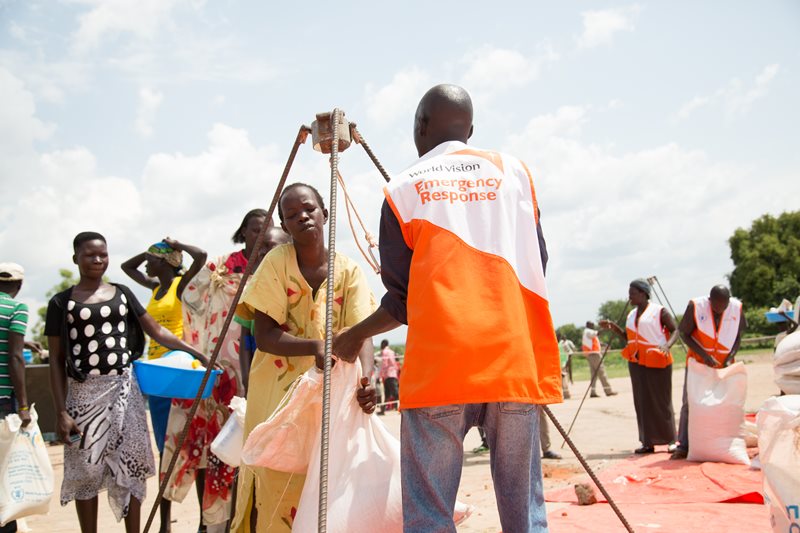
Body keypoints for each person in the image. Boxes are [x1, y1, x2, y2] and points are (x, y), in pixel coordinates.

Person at [334, 84, 562, 532]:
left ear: (419, 126)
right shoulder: (516, 173)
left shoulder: (402, 189)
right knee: (526, 516)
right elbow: (541, 261)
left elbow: (401, 301)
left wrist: (353, 333)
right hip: (513, 363)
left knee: (430, 514)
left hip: (442, 370)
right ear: (470, 130)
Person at [231, 183, 378, 533]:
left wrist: (366, 380)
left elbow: (363, 333)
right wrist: (315, 347)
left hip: (331, 394)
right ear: (284, 225)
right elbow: (263, 335)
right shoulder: (275, 263)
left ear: (324, 213)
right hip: (277, 396)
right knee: (277, 482)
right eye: (292, 215)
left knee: (330, 481)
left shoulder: (349, 271)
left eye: (309, 209)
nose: (303, 217)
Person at [45, 232, 208, 533]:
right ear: (75, 259)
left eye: (102, 254)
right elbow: (55, 359)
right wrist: (61, 411)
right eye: (89, 255)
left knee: (132, 464)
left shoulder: (122, 294)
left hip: (124, 389)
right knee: (86, 470)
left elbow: (158, 332)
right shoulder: (61, 303)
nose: (97, 260)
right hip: (83, 396)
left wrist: (197, 353)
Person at [160, 212, 288, 532]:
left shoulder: (280, 266)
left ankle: (245, 517)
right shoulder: (223, 268)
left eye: (267, 230)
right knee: (214, 447)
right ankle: (212, 520)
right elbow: (190, 295)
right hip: (221, 369)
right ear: (243, 232)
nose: (261, 236)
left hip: (260, 366)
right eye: (255, 229)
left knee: (252, 451)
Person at [121, 237, 206, 532]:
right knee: (164, 449)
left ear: (166, 262)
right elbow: (126, 266)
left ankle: (203, 522)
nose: (146, 263)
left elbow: (201, 256)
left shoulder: (179, 286)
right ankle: (165, 523)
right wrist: (151, 251)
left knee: (190, 447)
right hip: (158, 373)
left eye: (152, 259)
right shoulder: (155, 288)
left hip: (181, 369)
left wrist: (177, 244)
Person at [600, 279, 679, 454]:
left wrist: (667, 345)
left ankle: (671, 439)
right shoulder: (631, 315)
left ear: (643, 294)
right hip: (636, 363)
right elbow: (629, 338)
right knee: (642, 402)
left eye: (633, 293)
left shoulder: (659, 311)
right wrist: (614, 328)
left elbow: (676, 330)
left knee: (661, 401)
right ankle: (648, 441)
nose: (629, 297)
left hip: (657, 360)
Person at [671, 285, 746, 460]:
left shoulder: (736, 308)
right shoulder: (696, 307)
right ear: (710, 300)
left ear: (729, 301)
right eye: (716, 306)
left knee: (725, 403)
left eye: (723, 306)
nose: (720, 310)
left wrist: (730, 357)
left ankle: (720, 441)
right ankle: (683, 445)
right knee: (690, 402)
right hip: (699, 364)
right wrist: (704, 356)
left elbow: (738, 336)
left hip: (724, 365)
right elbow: (685, 334)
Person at [237, 225, 292, 393]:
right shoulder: (253, 290)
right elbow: (245, 339)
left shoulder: (297, 286)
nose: (262, 252)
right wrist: (247, 378)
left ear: (288, 247)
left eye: (269, 246)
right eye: (260, 247)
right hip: (262, 372)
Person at [0, 263, 31, 533]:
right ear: (19, 286)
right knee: (5, 470)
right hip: (2, 401)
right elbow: (15, 356)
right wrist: (22, 405)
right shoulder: (16, 309)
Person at [581, 322, 617, 397]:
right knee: (601, 372)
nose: (594, 326)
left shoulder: (587, 332)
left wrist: (603, 344)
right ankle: (608, 391)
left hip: (591, 354)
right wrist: (605, 328)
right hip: (594, 354)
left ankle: (593, 392)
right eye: (592, 324)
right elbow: (596, 333)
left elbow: (593, 340)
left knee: (594, 374)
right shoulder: (588, 331)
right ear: (589, 325)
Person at [378, 339, 400, 414]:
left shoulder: (384, 352)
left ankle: (398, 408)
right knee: (393, 392)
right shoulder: (391, 352)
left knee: (392, 393)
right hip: (392, 374)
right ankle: (391, 408)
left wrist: (381, 375)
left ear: (383, 344)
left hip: (388, 375)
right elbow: (394, 363)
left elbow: (384, 364)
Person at [557, 332, 575, 399]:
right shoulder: (555, 343)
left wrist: (567, 363)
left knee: (564, 379)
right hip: (557, 364)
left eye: (558, 336)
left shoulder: (563, 344)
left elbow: (570, 353)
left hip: (563, 363)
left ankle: (566, 394)